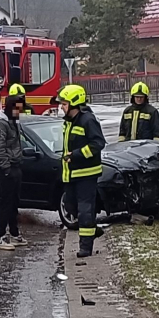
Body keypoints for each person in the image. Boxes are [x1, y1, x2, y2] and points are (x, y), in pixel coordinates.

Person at [58, 85, 106, 258]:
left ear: (74, 103)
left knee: (85, 210)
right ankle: (92, 229)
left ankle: (86, 247)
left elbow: (98, 143)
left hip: (86, 174)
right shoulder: (68, 122)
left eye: (64, 103)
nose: (61, 107)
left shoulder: (88, 120)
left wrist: (77, 155)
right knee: (70, 205)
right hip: (71, 174)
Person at [0, 93, 28, 251]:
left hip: (15, 165)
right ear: (11, 108)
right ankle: (0, 236)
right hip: (7, 167)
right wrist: (6, 168)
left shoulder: (12, 120)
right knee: (6, 202)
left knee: (14, 202)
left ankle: (14, 233)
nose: (20, 112)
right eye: (18, 109)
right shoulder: (1, 123)